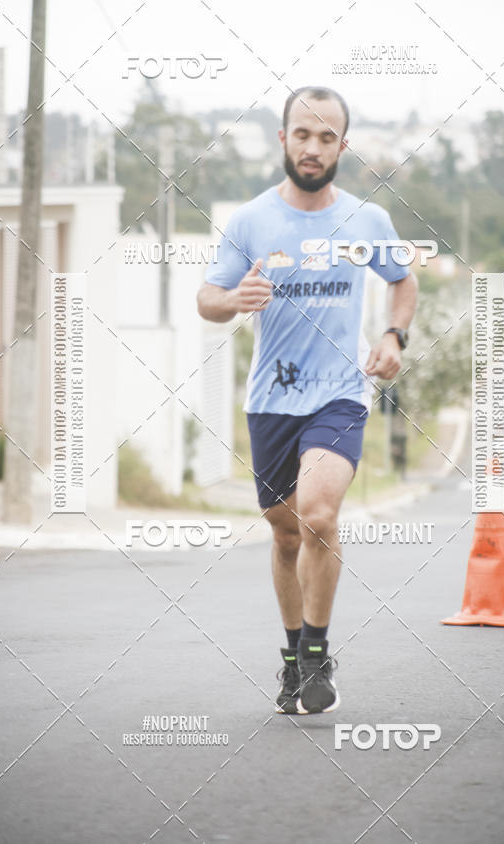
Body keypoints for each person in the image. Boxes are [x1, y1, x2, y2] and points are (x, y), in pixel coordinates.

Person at [197, 86, 418, 714]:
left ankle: (318, 652)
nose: (313, 147)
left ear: (343, 146)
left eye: (327, 137)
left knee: (319, 516)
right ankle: (293, 655)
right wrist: (233, 299)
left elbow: (403, 282)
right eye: (303, 134)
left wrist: (394, 335)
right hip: (272, 398)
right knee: (287, 534)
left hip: (340, 395)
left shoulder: (366, 221)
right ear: (283, 139)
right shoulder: (250, 221)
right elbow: (206, 300)